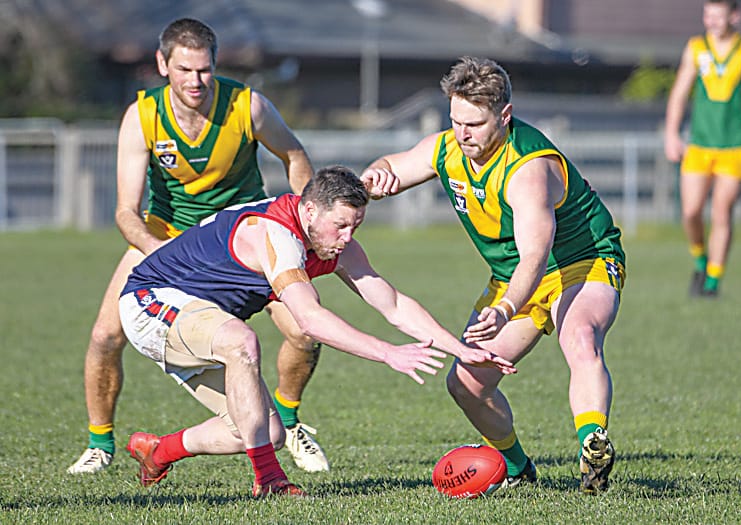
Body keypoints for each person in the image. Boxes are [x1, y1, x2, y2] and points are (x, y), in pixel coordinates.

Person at [118, 166, 516, 496]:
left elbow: (392, 303)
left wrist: (460, 350)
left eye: (355, 226)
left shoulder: (334, 244)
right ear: (309, 212)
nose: (347, 238)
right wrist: (387, 352)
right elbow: (309, 319)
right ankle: (270, 481)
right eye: (340, 225)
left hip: (202, 319)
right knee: (241, 341)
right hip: (150, 301)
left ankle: (159, 452)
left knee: (264, 432)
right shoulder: (276, 234)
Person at [68, 18, 330, 476]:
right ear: (162, 64)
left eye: (204, 70)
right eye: (184, 70)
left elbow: (295, 154)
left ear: (215, 64)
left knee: (306, 332)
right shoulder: (142, 115)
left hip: (245, 242)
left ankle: (289, 423)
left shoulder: (249, 107)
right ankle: (99, 444)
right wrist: (158, 253)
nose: (195, 81)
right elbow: (126, 212)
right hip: (166, 239)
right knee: (105, 336)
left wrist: (303, 228)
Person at [360, 56, 626, 494]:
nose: (462, 133)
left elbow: (535, 258)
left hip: (582, 260)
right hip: (512, 274)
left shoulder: (527, 170)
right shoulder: (446, 147)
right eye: (455, 120)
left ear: (503, 116)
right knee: (466, 382)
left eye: (475, 124)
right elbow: (396, 163)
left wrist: (504, 308)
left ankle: (592, 444)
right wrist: (375, 177)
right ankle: (518, 469)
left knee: (578, 336)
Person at [664, 0, 741, 297]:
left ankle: (712, 282)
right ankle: (701, 259)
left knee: (721, 212)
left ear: (734, 16)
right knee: (690, 212)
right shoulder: (696, 48)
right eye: (707, 13)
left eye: (718, 14)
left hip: (735, 147)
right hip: (699, 144)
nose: (711, 20)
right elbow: (678, 94)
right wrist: (672, 134)